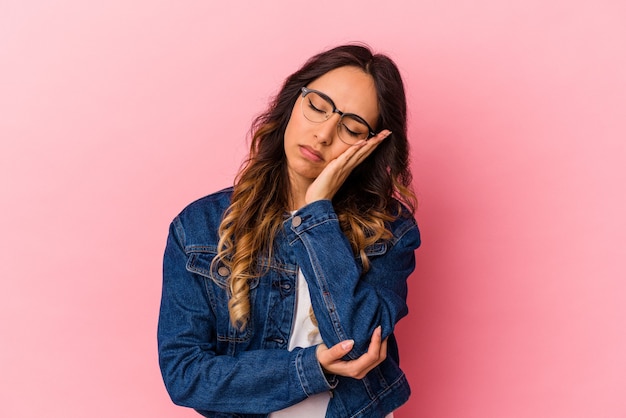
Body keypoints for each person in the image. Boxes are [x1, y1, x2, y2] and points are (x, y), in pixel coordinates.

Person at [157, 44, 421, 418]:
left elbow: (360, 345)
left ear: (371, 145)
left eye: (351, 127)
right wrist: (311, 369)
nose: (324, 134)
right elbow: (185, 375)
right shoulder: (199, 228)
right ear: (292, 101)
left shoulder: (389, 230)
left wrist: (316, 214)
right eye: (317, 106)